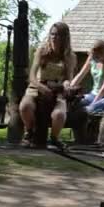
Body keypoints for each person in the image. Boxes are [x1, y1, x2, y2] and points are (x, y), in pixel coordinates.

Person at [19, 22, 76, 150]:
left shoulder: (70, 56)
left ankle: (54, 138)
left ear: (65, 38)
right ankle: (29, 133)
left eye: (58, 35)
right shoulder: (41, 51)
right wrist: (41, 87)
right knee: (25, 106)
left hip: (58, 89)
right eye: (52, 34)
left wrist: (67, 85)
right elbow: (32, 76)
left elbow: (69, 79)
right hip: (37, 86)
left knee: (59, 115)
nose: (54, 38)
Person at [71, 40, 104, 113]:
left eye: (97, 57)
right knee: (75, 102)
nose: (95, 59)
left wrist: (93, 105)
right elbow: (81, 74)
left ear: (103, 54)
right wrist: (69, 88)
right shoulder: (91, 58)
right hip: (93, 94)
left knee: (90, 109)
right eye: (94, 56)